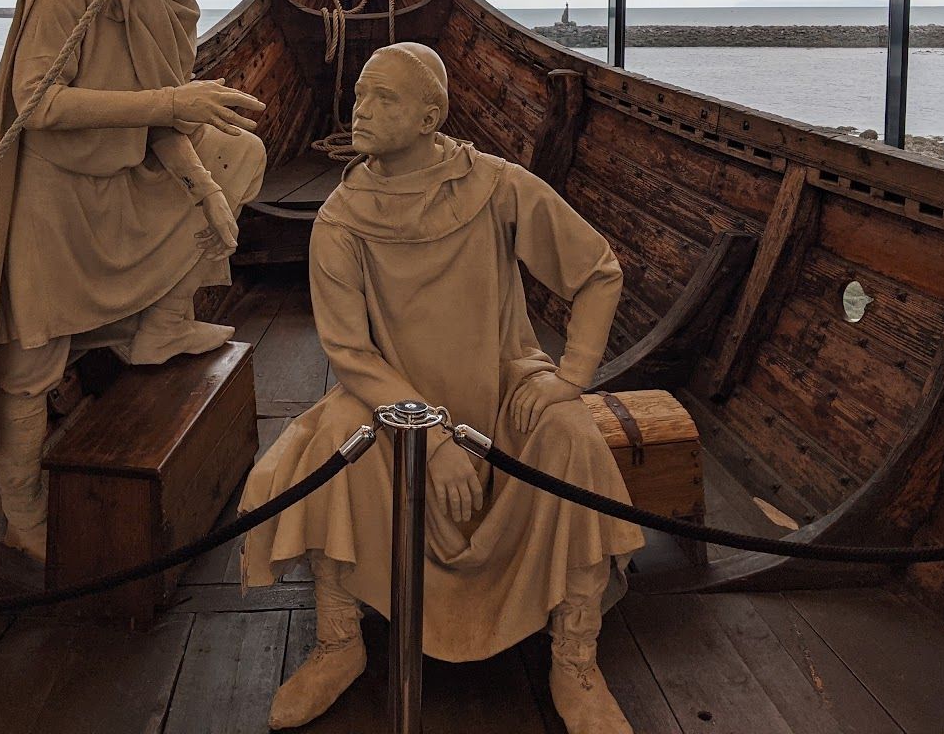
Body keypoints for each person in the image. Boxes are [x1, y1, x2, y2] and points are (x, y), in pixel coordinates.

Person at [240, 43, 644, 733]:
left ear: (431, 117)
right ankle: (339, 643)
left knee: (572, 438)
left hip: (499, 380)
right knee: (330, 441)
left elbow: (598, 271)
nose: (361, 111)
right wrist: (430, 437)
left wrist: (571, 376)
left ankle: (575, 657)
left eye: (384, 99)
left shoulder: (497, 186)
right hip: (392, 394)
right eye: (360, 96)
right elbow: (351, 353)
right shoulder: (340, 219)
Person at [0, 0, 268, 562]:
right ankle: (25, 515)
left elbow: (163, 118)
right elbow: (36, 102)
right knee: (30, 364)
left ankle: (162, 323)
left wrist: (205, 186)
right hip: (56, 192)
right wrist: (173, 103)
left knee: (239, 154)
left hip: (124, 173)